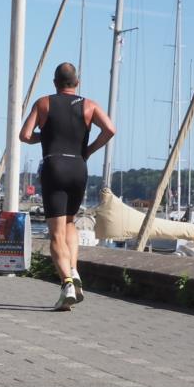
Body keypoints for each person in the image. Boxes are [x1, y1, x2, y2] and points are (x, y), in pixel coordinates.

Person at [19, 62, 115, 311]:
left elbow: (25, 135)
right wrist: (89, 150)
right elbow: (110, 129)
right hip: (78, 167)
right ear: (77, 83)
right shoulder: (89, 105)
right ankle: (73, 269)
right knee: (70, 222)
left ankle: (67, 283)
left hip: (54, 166)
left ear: (55, 83)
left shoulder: (43, 103)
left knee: (56, 233)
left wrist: (47, 135)